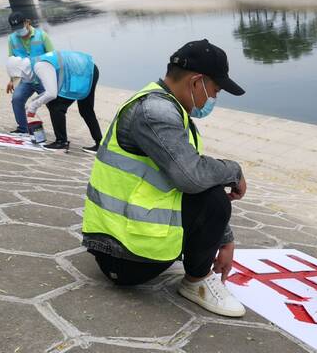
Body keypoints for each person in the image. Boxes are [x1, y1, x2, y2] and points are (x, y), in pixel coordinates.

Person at [81, 39, 247, 317]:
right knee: (215, 199)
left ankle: (196, 273)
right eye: (215, 91)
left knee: (208, 187)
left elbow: (189, 176)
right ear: (197, 83)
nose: (213, 100)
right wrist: (235, 171)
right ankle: (197, 282)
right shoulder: (155, 112)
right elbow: (192, 179)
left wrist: (225, 239)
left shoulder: (165, 105)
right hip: (122, 256)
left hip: (125, 245)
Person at [5, 50, 102, 152]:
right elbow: (50, 91)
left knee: (56, 107)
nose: (23, 80)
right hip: (88, 68)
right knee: (86, 110)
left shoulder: (40, 66)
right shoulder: (35, 63)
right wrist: (34, 102)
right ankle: (100, 144)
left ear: (21, 71)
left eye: (21, 77)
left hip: (83, 71)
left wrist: (33, 107)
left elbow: (51, 94)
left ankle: (61, 142)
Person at [5, 11, 55, 135]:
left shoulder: (42, 36)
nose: (18, 31)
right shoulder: (11, 39)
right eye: (15, 29)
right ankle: (23, 128)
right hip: (26, 80)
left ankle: (59, 136)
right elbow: (12, 61)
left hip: (43, 78)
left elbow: (53, 57)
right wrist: (12, 80)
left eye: (20, 27)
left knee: (53, 105)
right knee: (16, 99)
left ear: (27, 22)